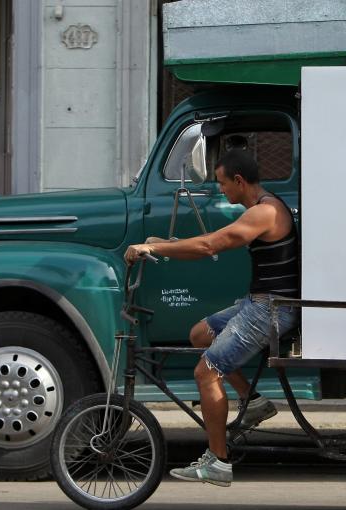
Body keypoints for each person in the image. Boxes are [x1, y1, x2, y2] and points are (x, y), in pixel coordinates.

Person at [125, 150, 299, 487]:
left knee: (206, 372)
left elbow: (210, 246)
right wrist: (164, 244)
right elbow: (210, 240)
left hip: (271, 309)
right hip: (260, 302)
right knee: (200, 334)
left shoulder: (264, 212)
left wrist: (154, 249)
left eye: (221, 183)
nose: (220, 190)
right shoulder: (262, 206)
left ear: (238, 180)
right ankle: (253, 401)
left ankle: (218, 461)